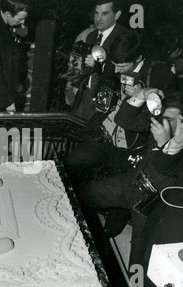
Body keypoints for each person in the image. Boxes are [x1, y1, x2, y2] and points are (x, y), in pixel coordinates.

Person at [64, 31, 178, 185]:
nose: (116, 70)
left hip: (127, 149)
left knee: (108, 190)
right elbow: (101, 91)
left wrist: (138, 99)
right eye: (114, 65)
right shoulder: (114, 63)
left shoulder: (159, 74)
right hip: (102, 136)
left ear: (138, 58)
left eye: (122, 66)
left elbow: (159, 120)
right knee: (69, 165)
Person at [77, 91, 183, 238]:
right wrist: (141, 95)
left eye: (170, 120)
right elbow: (123, 119)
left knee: (140, 248)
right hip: (132, 181)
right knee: (83, 195)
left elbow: (163, 181)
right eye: (163, 117)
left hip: (152, 201)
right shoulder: (160, 125)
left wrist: (163, 144)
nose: (164, 124)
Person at [131, 109, 183, 287]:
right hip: (162, 208)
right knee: (143, 256)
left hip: (169, 215)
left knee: (164, 277)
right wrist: (174, 144)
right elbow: (165, 166)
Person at [71, 0, 128, 120]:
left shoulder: (124, 37)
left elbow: (125, 70)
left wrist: (100, 64)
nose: (98, 18)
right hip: (85, 97)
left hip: (107, 102)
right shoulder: (91, 36)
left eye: (105, 14)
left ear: (117, 15)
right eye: (96, 13)